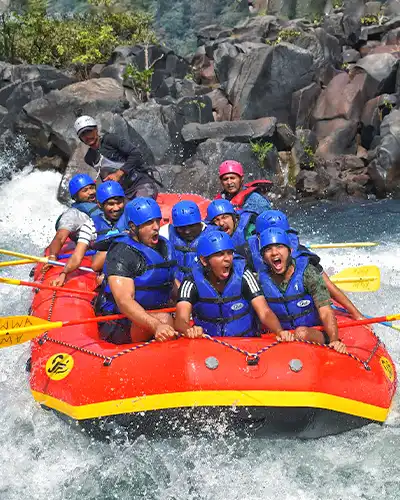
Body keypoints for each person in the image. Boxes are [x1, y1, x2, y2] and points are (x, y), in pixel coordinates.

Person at [239, 210, 364, 321]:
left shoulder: (299, 253)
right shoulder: (247, 251)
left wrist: (355, 313)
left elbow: (327, 284)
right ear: (258, 236)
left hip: (300, 307)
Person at [94, 197, 178, 344]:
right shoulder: (122, 253)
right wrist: (156, 325)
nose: (156, 227)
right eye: (149, 223)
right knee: (165, 318)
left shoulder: (164, 246)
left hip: (155, 310)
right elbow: (124, 301)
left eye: (157, 221)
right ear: (133, 227)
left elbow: (170, 282)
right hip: (119, 320)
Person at [175, 231, 288, 339]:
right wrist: (188, 330)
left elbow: (264, 312)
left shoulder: (244, 275)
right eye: (220, 254)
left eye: (229, 253)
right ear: (204, 261)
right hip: (210, 344)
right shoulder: (191, 281)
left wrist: (279, 331)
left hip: (245, 344)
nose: (228, 259)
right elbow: (181, 319)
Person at [258, 227, 347, 353]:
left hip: (313, 332)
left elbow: (325, 311)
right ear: (263, 258)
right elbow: (264, 312)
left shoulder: (308, 273)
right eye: (268, 249)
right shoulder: (260, 280)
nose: (274, 253)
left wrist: (334, 339)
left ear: (290, 250)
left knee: (301, 333)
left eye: (279, 247)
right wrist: (280, 332)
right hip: (281, 336)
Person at [50, 181, 127, 287]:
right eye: (111, 204)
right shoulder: (90, 224)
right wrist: (64, 273)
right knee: (97, 262)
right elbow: (77, 256)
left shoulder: (133, 217)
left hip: (133, 264)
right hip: (112, 268)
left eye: (119, 203)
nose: (116, 208)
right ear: (100, 205)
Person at [74, 115, 162, 200]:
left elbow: (136, 154)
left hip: (139, 184)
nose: (87, 136)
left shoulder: (111, 140)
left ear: (96, 130)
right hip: (120, 192)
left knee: (138, 206)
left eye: (89, 131)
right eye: (83, 135)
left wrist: (119, 173)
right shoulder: (89, 158)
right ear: (81, 138)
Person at [44, 174, 102, 270]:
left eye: (92, 188)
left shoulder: (103, 204)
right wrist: (52, 256)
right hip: (88, 247)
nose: (91, 192)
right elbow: (60, 237)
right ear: (75, 197)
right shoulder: (72, 215)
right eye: (85, 190)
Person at [169, 200, 218, 284]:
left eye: (191, 226)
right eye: (181, 228)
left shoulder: (214, 236)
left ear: (199, 222)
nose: (187, 231)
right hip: (175, 286)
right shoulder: (166, 233)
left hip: (202, 287)